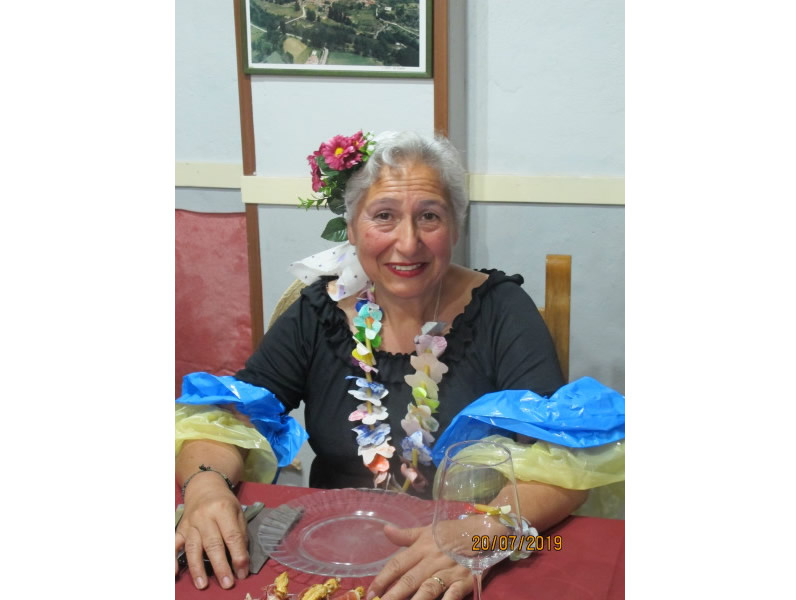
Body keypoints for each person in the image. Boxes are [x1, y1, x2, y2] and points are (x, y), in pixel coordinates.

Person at [175, 131, 589, 598]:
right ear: (352, 229)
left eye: (429, 216)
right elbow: (229, 418)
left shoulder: (500, 310)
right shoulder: (319, 313)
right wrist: (206, 487)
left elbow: (566, 462)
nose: (407, 243)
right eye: (384, 216)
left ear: (455, 227)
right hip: (332, 555)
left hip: (464, 563)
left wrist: (484, 534)